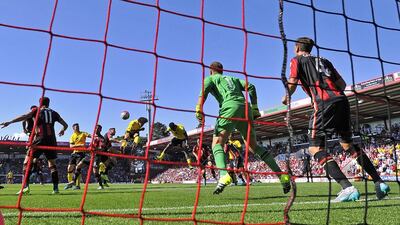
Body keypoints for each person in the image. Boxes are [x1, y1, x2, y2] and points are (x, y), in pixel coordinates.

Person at [282, 37, 390, 202]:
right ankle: (379, 182)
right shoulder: (324, 60)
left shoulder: (296, 60)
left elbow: (293, 81)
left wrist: (286, 97)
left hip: (323, 103)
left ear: (297, 47)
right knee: (347, 144)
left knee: (315, 148)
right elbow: (342, 83)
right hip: (342, 101)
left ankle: (347, 187)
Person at [196, 61, 290, 194]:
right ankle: (282, 176)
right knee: (254, 147)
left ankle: (223, 175)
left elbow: (203, 93)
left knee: (216, 144)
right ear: (222, 70)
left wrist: (199, 109)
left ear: (210, 70)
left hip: (229, 108)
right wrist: (255, 107)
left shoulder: (210, 79)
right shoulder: (233, 79)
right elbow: (251, 86)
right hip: (246, 109)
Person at [0, 97, 68, 194]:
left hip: (40, 139)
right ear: (49, 103)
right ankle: (55, 189)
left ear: (40, 103)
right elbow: (65, 125)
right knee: (52, 165)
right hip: (52, 140)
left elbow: (25, 116)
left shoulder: (36, 110)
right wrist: (63, 130)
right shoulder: (54, 113)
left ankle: (26, 187)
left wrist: (10, 122)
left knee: (26, 162)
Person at [65, 123, 91, 190]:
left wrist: (94, 137)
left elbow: (91, 136)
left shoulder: (83, 133)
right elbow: (71, 146)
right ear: (73, 128)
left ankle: (77, 185)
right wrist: (81, 145)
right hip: (74, 153)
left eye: (78, 127)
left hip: (81, 153)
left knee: (77, 168)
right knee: (69, 168)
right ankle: (70, 183)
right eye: (76, 127)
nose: (77, 128)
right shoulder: (72, 136)